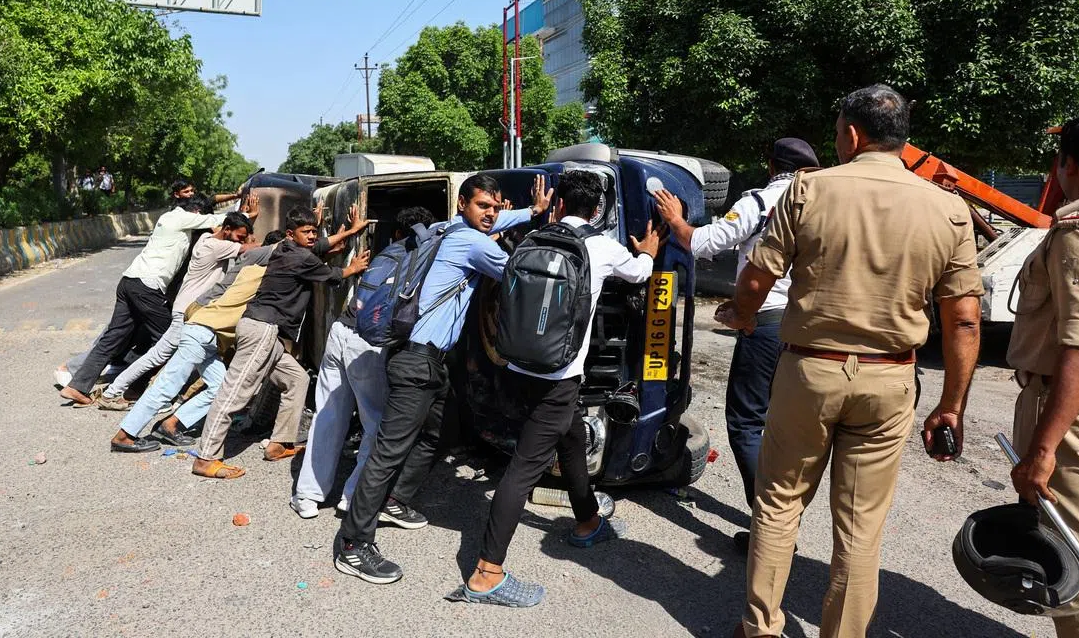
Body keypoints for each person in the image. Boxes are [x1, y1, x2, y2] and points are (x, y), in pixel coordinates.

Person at [716, 84, 983, 638]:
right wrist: (951, 404)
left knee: (778, 504)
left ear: (852, 135)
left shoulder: (809, 191)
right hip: (891, 378)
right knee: (861, 528)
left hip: (810, 370)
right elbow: (962, 319)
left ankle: (761, 627)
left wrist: (741, 315)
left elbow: (758, 278)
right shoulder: (948, 208)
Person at [333, 173, 552, 585]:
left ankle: (396, 500)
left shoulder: (444, 228)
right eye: (482, 206)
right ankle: (353, 544)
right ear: (462, 205)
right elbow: (520, 276)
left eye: (495, 206)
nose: (491, 214)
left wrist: (530, 212)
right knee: (388, 452)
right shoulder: (472, 242)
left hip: (425, 361)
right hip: (417, 363)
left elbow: (493, 224)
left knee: (442, 431)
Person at [459, 170, 659, 607]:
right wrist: (649, 251)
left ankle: (587, 521)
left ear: (560, 205)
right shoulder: (603, 248)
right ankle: (486, 573)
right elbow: (641, 274)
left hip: (516, 368)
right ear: (598, 210)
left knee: (570, 437)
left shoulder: (532, 238)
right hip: (558, 377)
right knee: (523, 469)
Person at [653, 137, 820, 550]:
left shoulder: (762, 202)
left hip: (766, 324)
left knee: (747, 422)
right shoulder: (829, 204)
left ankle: (772, 530)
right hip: (811, 327)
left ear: (771, 165)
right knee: (786, 424)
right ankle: (784, 515)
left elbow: (704, 242)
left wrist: (676, 221)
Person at [190, 205, 371, 480]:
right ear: (290, 234)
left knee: (297, 379)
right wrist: (353, 267)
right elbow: (333, 276)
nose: (312, 236)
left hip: (266, 332)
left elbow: (322, 244)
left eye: (313, 231)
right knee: (235, 391)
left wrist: (351, 230)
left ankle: (279, 443)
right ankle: (206, 457)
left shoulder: (285, 249)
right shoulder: (300, 257)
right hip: (262, 330)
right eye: (306, 232)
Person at [292, 206, 437, 519]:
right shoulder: (421, 258)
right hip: (368, 346)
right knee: (377, 424)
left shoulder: (384, 255)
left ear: (398, 232)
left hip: (340, 330)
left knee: (328, 415)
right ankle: (353, 497)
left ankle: (306, 496)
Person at [109, 230, 285, 453]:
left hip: (208, 337)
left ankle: (171, 425)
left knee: (221, 388)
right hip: (201, 332)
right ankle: (124, 435)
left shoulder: (258, 272)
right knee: (166, 387)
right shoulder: (255, 271)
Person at [1009, 118, 1079, 638]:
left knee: (1069, 556)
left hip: (1066, 413)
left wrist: (1044, 449)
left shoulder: (1075, 234)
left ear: (1070, 165)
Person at [58, 194, 231, 406]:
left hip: (129, 281)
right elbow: (215, 221)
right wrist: (247, 214)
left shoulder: (169, 218)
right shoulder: (182, 217)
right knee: (169, 340)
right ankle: (134, 389)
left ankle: (76, 387)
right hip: (147, 286)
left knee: (113, 337)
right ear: (196, 212)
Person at [97, 203, 260, 410]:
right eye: (239, 236)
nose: (241, 240)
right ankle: (115, 392)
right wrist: (253, 238)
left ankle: (153, 396)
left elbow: (231, 238)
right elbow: (252, 249)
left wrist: (244, 226)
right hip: (187, 311)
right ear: (226, 230)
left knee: (189, 356)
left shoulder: (205, 239)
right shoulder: (215, 246)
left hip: (191, 310)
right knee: (160, 355)